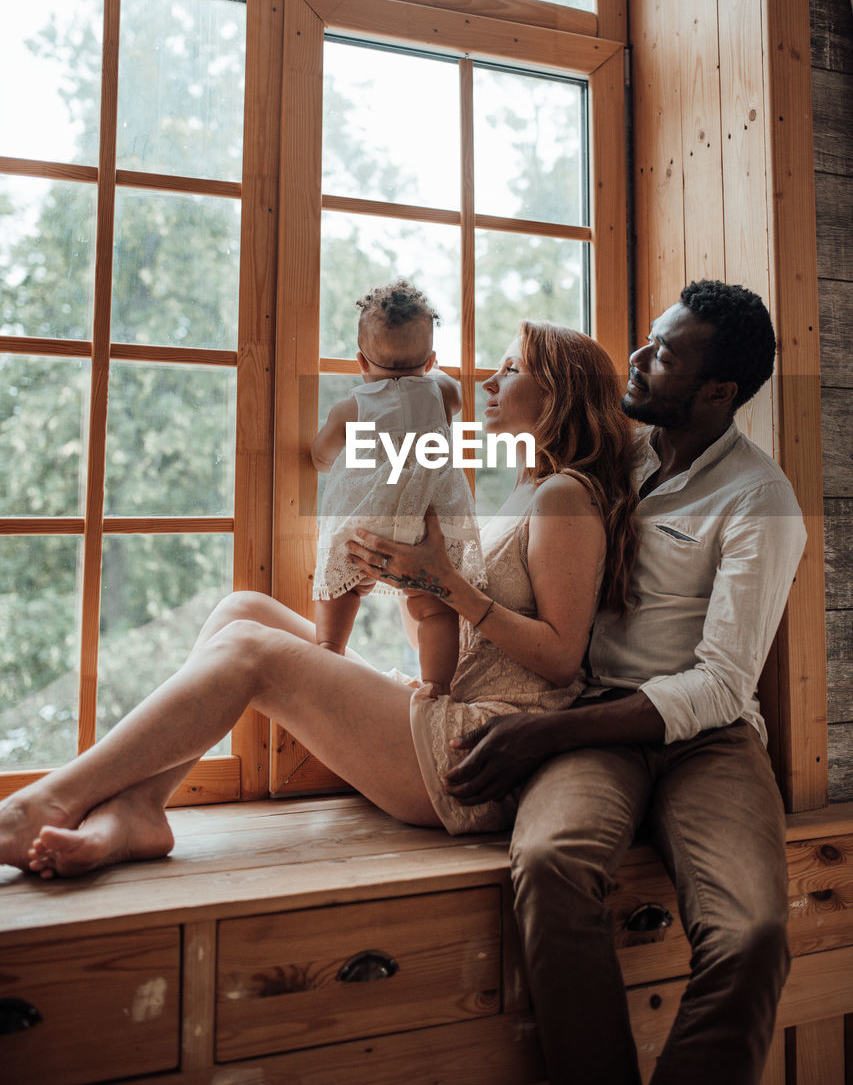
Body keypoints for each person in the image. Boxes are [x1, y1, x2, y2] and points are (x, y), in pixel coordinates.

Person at [0, 321, 636, 877]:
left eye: (511, 369)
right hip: (449, 708)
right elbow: (464, 636)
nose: (490, 382)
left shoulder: (565, 496)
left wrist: (445, 582)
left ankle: (44, 803)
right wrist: (401, 578)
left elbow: (558, 659)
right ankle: (139, 808)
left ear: (558, 393)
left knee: (251, 649)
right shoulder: (522, 492)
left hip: (479, 751)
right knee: (241, 610)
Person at [444, 281, 808, 1085]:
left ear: (716, 392)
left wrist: (546, 731)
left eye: (664, 355)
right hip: (593, 715)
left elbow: (718, 684)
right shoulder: (608, 458)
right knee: (545, 862)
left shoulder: (760, 499)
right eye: (648, 338)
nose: (636, 360)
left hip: (705, 739)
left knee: (750, 935)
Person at [311, 279, 485, 695]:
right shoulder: (441, 392)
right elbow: (457, 396)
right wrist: (428, 371)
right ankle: (437, 685)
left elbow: (321, 455)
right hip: (428, 520)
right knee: (432, 607)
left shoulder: (353, 407)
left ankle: (328, 651)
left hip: (370, 520)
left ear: (360, 362)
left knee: (345, 588)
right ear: (430, 360)